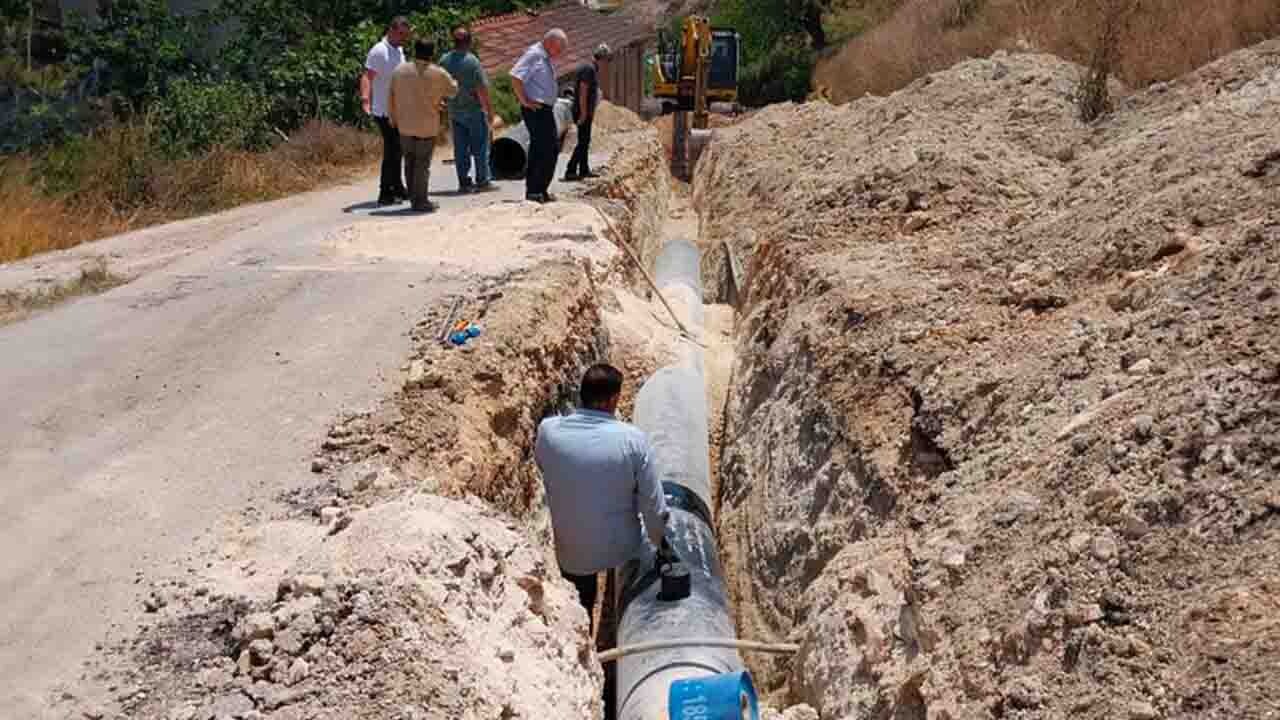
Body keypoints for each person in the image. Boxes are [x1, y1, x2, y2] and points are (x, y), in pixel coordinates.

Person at [533, 363, 670, 631]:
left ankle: (583, 637)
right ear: (613, 400)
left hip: (572, 554)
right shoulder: (632, 440)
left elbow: (544, 465)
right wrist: (662, 545)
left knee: (581, 601)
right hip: (623, 550)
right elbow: (653, 506)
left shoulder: (548, 431)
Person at [388, 39, 458, 213]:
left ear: (414, 51)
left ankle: (413, 197)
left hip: (404, 124)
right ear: (431, 54)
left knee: (409, 161)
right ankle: (421, 201)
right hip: (427, 125)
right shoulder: (438, 73)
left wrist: (393, 119)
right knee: (422, 164)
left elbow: (391, 97)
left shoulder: (399, 71)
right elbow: (453, 90)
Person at [510, 28, 567, 204]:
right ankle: (535, 190)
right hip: (536, 109)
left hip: (544, 109)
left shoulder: (543, 56)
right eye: (560, 48)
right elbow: (515, 76)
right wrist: (524, 100)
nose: (560, 53)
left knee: (543, 148)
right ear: (550, 43)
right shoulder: (534, 54)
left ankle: (538, 190)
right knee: (547, 148)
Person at [362, 17, 411, 206]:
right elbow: (367, 76)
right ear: (391, 30)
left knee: (397, 149)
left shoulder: (398, 49)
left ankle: (397, 187)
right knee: (391, 150)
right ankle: (385, 193)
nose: (403, 38)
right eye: (400, 34)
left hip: (398, 109)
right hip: (383, 110)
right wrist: (365, 99)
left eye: (405, 35)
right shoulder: (378, 51)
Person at [440, 26, 495, 193]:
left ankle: (464, 182)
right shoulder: (472, 61)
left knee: (460, 148)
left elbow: (440, 85)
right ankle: (483, 181)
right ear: (469, 42)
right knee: (480, 147)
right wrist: (489, 111)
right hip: (473, 110)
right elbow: (482, 89)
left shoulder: (444, 60)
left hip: (454, 110)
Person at [564, 43, 611, 182]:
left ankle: (584, 169)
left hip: (585, 111)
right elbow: (583, 92)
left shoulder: (591, 68)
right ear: (601, 58)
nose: (606, 64)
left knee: (585, 141)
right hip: (581, 111)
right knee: (583, 141)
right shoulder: (589, 69)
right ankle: (571, 170)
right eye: (607, 60)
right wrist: (584, 113)